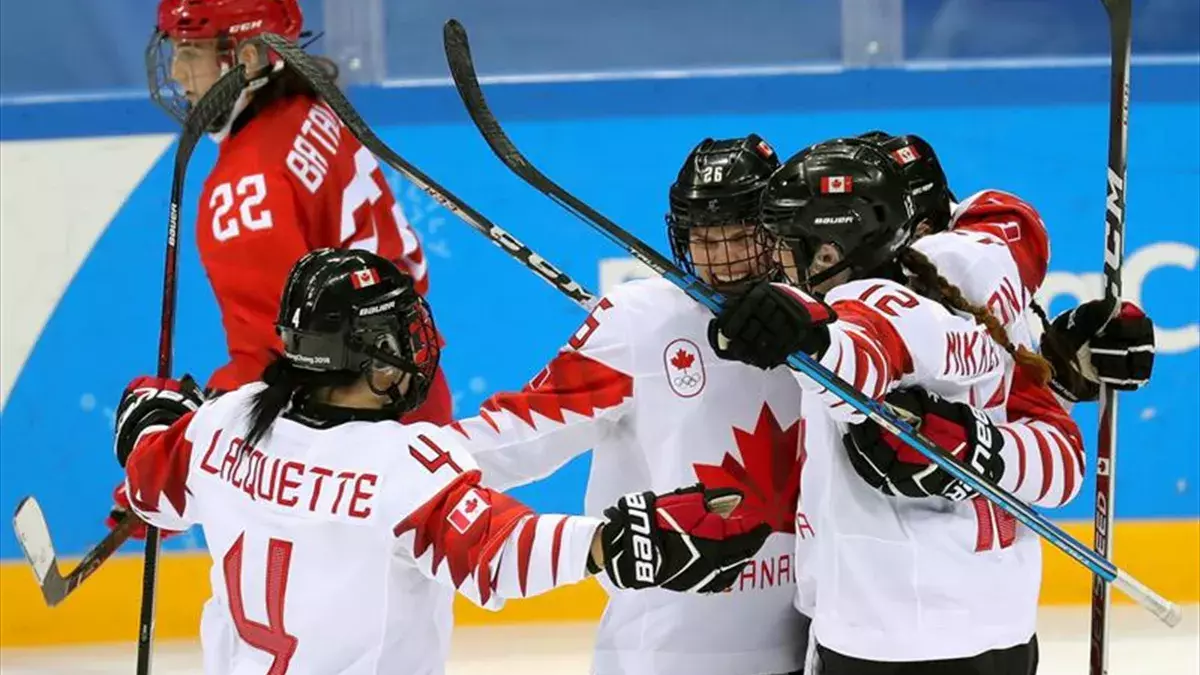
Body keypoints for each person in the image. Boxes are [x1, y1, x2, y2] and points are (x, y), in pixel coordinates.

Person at [113, 249, 771, 674]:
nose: (420, 344)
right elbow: (497, 551)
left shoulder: (225, 422)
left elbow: (149, 481)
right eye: (402, 332)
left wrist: (148, 412)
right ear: (370, 355)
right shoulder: (401, 464)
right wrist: (617, 541)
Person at [452, 135, 825, 675]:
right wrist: (402, 461)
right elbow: (519, 433)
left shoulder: (826, 321)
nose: (719, 261)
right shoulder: (640, 324)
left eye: (740, 237)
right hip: (667, 653)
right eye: (704, 239)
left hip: (804, 644)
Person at [709, 139, 1076, 674]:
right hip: (1001, 622)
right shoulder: (977, 274)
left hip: (892, 634)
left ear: (830, 248)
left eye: (787, 242)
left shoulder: (875, 303)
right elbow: (1008, 220)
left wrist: (812, 340)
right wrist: (983, 451)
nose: (774, 258)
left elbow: (863, 346)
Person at [108, 0, 453, 537]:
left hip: (345, 453)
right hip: (415, 400)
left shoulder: (244, 191)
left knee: (269, 617)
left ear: (246, 56)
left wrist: (169, 467)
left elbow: (277, 363)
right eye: (174, 50)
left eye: (192, 51)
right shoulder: (312, 112)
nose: (177, 72)